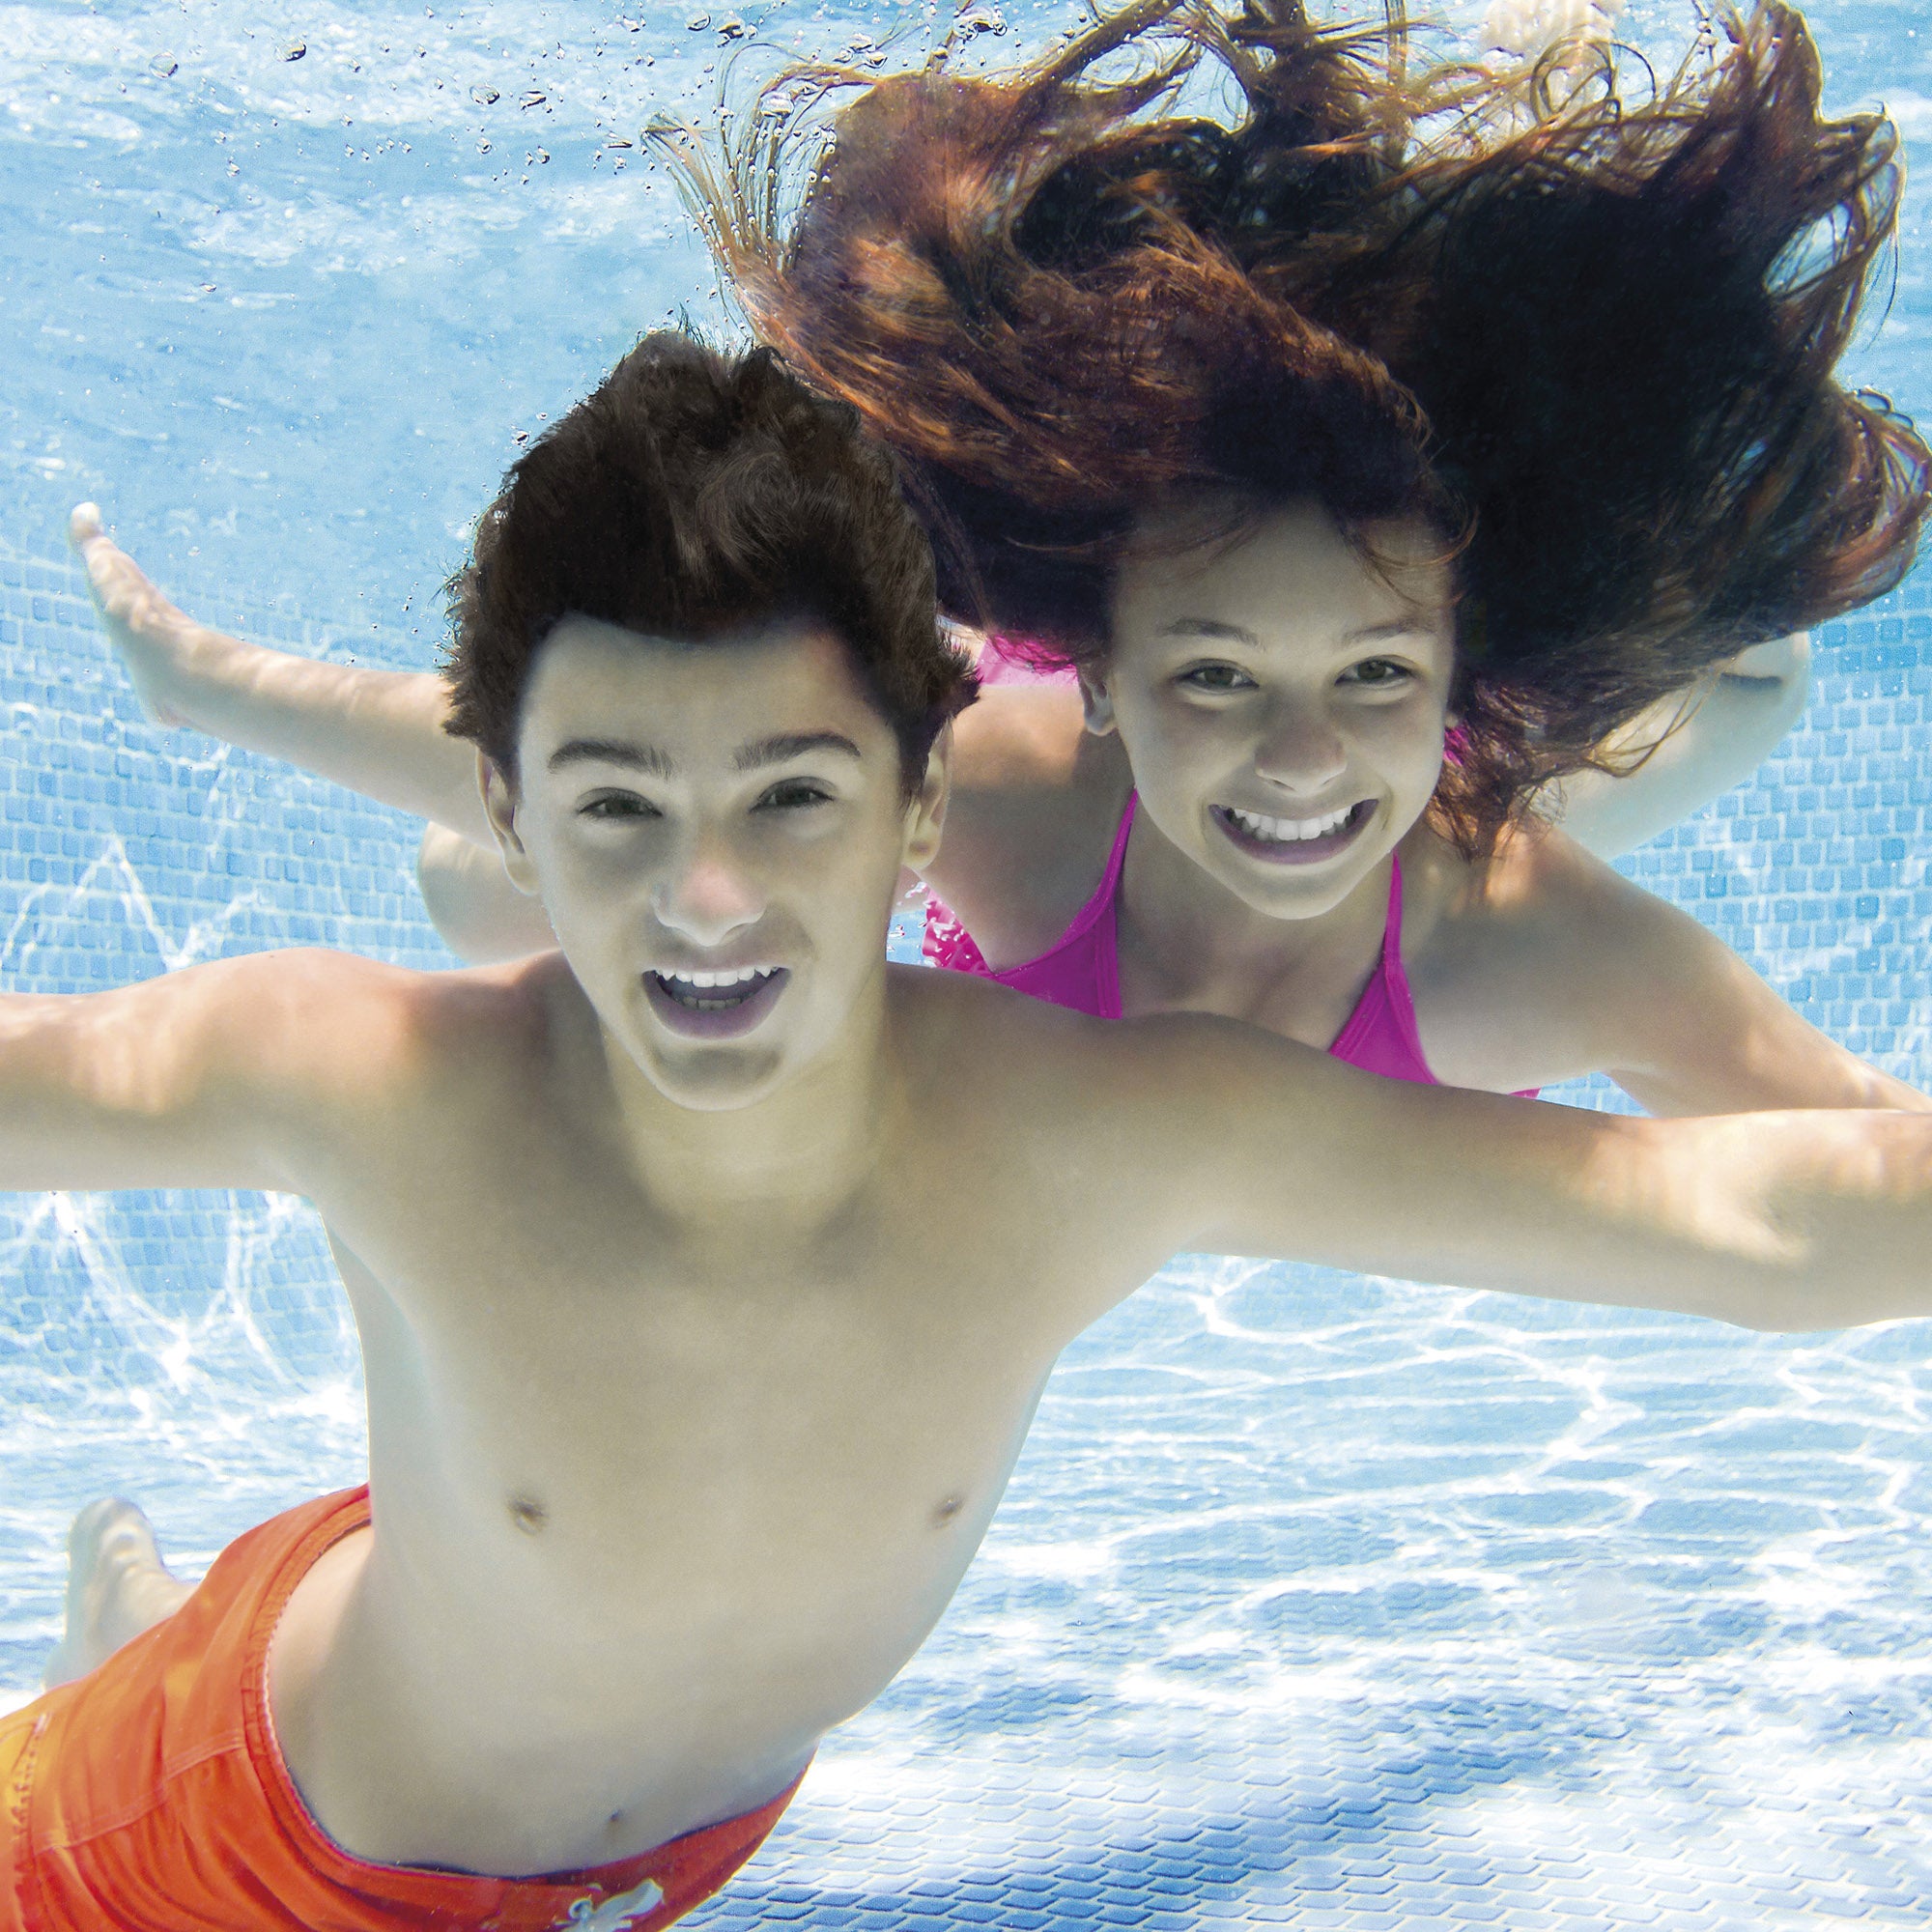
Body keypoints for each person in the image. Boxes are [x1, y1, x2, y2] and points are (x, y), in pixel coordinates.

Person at [9, 332, 1932, 1932]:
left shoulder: (1108, 1129)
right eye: (611, 811)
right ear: (514, 813)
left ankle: (145, 1620)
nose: (708, 897)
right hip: (217, 1845)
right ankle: (138, 1648)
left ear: (916, 809)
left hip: (650, 1835)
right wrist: (218, 688)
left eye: (793, 800)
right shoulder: (355, 1074)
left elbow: (1754, 1218)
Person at [71, 2, 1928, 1116]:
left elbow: (1854, 1146)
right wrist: (209, 687)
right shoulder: (1026, 796)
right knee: (477, 892)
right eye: (1209, 678)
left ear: (1457, 676)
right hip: (1246, 778)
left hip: (1435, 816)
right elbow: (633, 745)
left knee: (1726, 703)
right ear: (1105, 681)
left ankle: (1536, 688)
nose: (1287, 755)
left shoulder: (1528, 946)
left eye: (1383, 674)